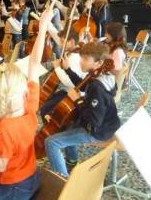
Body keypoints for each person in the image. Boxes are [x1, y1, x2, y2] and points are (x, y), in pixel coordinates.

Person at [0, 0, 56, 200]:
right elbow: (34, 62)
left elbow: (1, 165)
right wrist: (42, 29)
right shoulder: (29, 104)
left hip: (15, 187)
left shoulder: (6, 127)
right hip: (32, 175)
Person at [44, 41, 120, 177]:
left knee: (51, 142)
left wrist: (77, 100)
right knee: (66, 125)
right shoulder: (98, 75)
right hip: (106, 124)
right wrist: (67, 69)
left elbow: (94, 121)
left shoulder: (97, 86)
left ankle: (63, 181)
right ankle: (72, 161)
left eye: (85, 59)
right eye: (82, 57)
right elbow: (83, 86)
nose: (81, 62)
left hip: (98, 131)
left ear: (98, 63)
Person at [40, 27, 87, 120]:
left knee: (45, 110)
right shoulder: (72, 53)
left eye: (63, 41)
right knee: (46, 105)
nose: (61, 45)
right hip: (65, 90)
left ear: (72, 42)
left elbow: (70, 82)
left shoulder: (74, 58)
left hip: (70, 93)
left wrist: (57, 67)